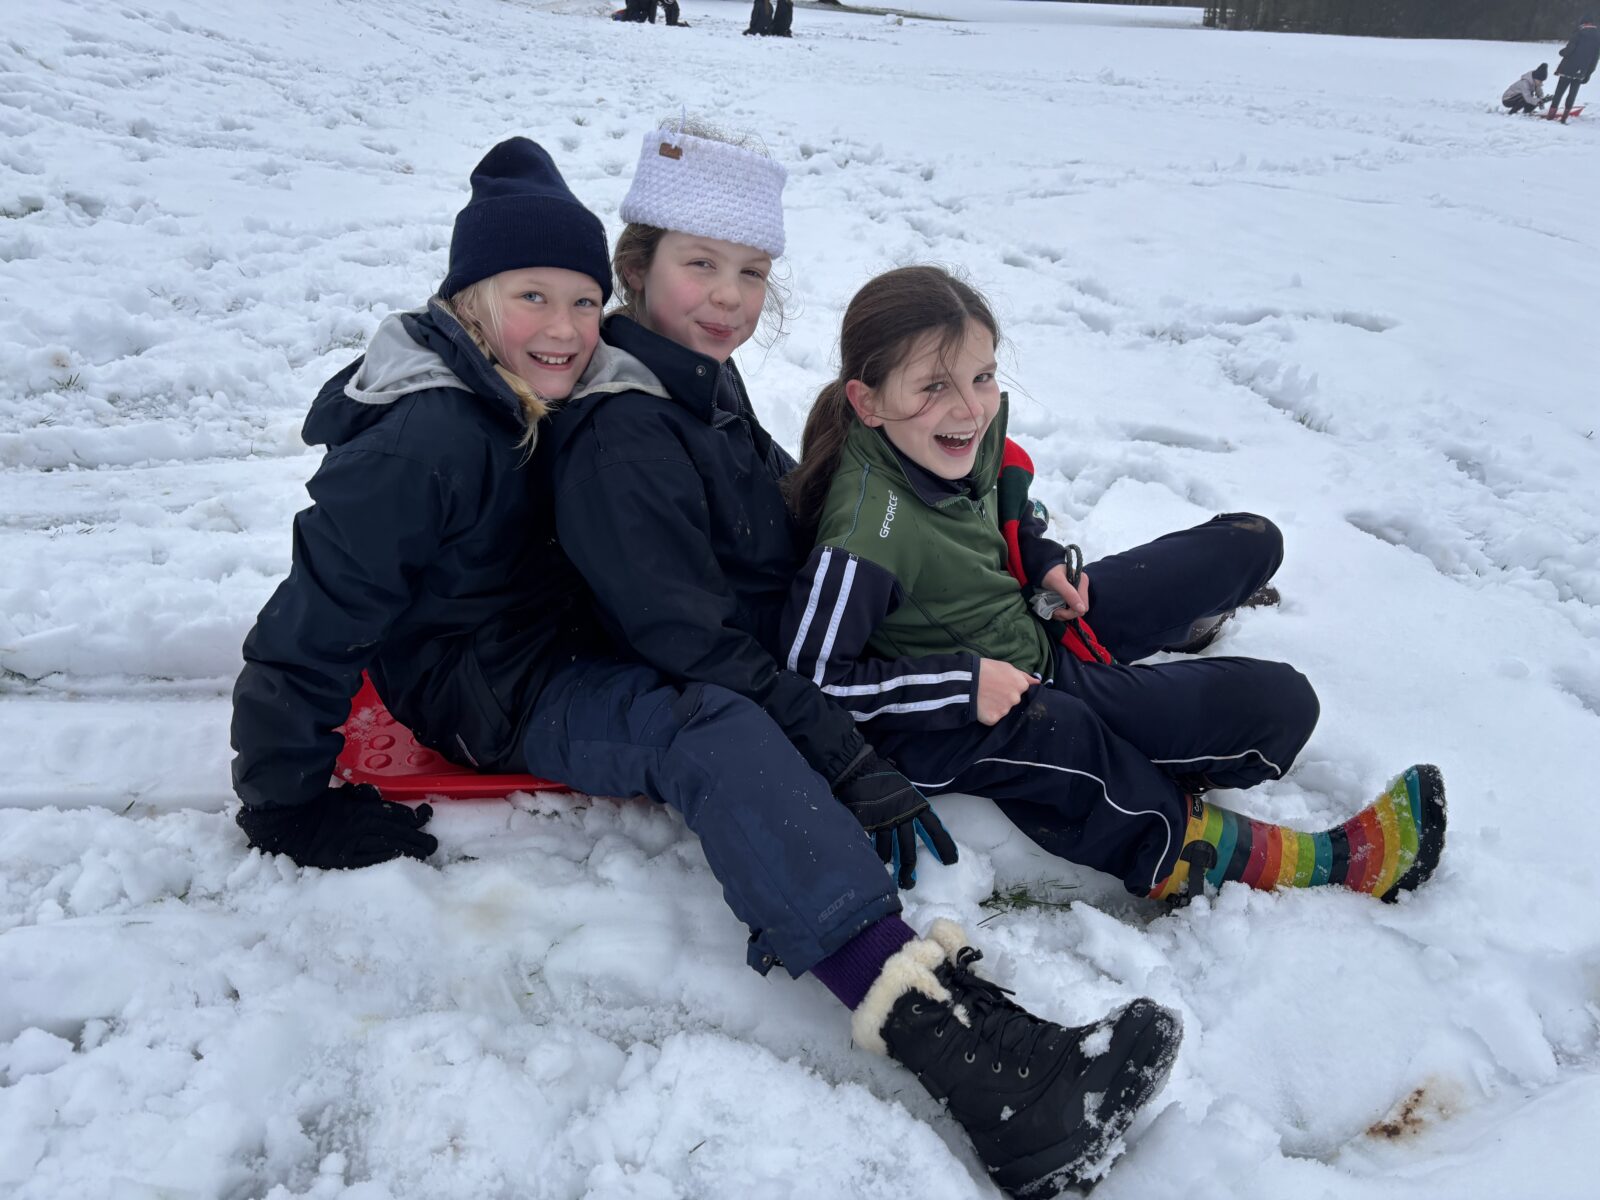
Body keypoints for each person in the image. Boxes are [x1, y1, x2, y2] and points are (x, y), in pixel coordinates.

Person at [541, 120, 1180, 1196]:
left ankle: (992, 1025)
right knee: (730, 737)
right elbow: (686, 642)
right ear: (637, 265)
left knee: (774, 715)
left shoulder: (696, 375)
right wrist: (837, 746)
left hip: (717, 648)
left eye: (751, 272)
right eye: (699, 264)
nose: (728, 297)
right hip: (589, 673)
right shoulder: (625, 429)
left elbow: (775, 529)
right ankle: (991, 1085)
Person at [780, 265, 1447, 905]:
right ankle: (1312, 863)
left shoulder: (950, 434)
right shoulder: (868, 535)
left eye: (982, 377)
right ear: (867, 402)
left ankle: (1176, 659)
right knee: (1283, 705)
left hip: (1038, 619)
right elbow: (808, 680)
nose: (969, 408)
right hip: (1023, 691)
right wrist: (963, 686)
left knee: (1251, 541)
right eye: (933, 386)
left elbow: (1002, 493)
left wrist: (1037, 557)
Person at [1547, 14, 1599, 123]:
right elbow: (1595, 59)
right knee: (1572, 94)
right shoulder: (1598, 37)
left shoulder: (1579, 33)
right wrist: (1588, 74)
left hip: (1568, 68)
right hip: (1581, 72)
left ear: (1584, 23)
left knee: (1559, 92)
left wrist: (1562, 52)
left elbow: (1569, 50)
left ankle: (1550, 116)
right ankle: (1564, 118)